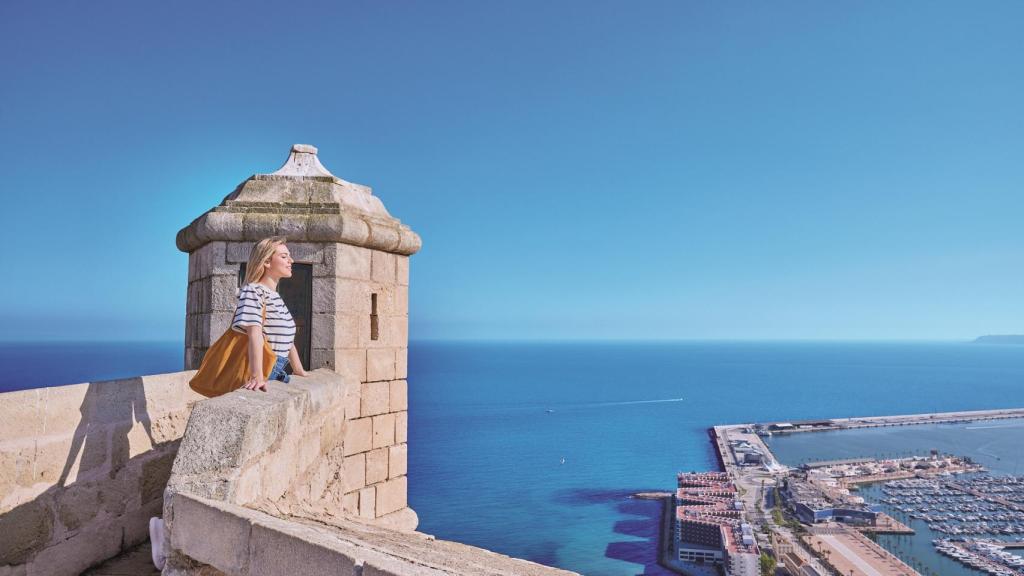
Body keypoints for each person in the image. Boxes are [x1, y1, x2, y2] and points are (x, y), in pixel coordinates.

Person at [232, 236, 308, 390]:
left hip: (276, 368)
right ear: (266, 262)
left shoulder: (274, 295)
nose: (291, 261)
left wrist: (298, 370)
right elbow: (255, 334)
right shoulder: (253, 290)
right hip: (265, 369)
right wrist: (257, 376)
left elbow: (287, 338)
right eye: (284, 256)